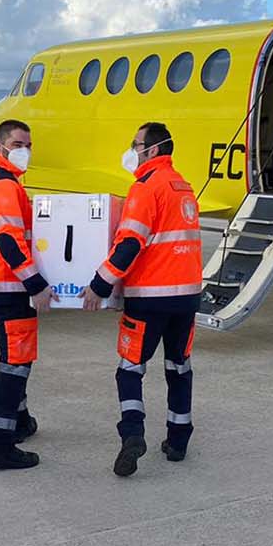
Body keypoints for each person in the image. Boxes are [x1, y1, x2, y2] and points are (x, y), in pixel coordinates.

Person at [82, 121, 203, 476]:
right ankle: (178, 440)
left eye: (136, 144)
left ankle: (133, 435)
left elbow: (129, 245)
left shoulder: (145, 188)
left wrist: (99, 286)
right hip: (187, 298)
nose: (132, 150)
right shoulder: (184, 188)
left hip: (150, 298)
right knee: (179, 368)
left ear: (151, 150)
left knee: (130, 369)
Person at [0, 119, 55, 470]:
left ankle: (19, 421)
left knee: (12, 356)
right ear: (0, 147)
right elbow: (9, 242)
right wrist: (37, 286)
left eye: (29, 145)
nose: (25, 152)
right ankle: (0, 444)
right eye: (19, 144)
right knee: (16, 364)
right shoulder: (4, 186)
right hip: (7, 286)